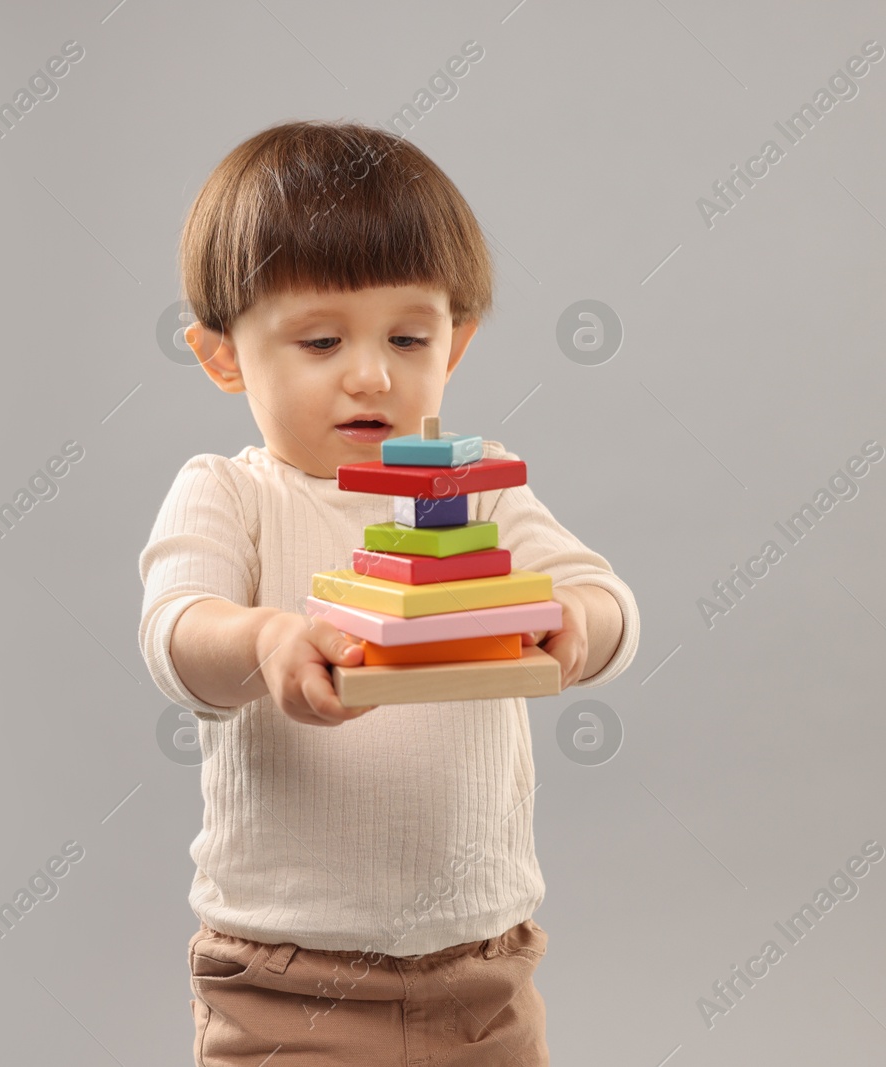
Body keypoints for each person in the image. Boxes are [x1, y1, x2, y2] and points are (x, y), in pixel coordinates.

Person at [138, 119, 640, 1066]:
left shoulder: (475, 481)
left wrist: (577, 622)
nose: (371, 372)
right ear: (223, 356)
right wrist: (263, 641)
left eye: (409, 336)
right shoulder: (231, 494)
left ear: (454, 345)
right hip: (289, 977)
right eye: (321, 340)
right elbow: (175, 630)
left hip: (480, 970)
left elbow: (601, 595)